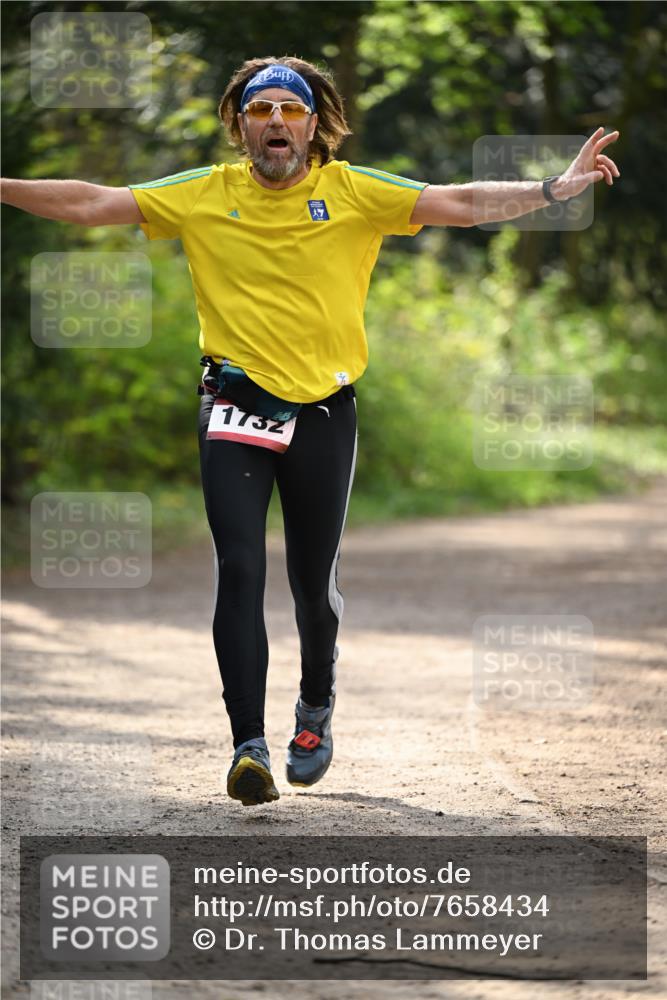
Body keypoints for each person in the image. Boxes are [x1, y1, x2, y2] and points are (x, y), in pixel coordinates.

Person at [1, 56, 619, 807]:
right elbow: (94, 203)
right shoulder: (203, 194)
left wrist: (552, 188)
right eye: (259, 111)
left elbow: (458, 202)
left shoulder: (354, 191)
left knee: (309, 588)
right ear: (239, 126)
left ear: (314, 126)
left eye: (289, 112)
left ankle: (314, 706)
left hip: (325, 410)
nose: (275, 124)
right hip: (235, 399)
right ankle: (247, 746)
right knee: (239, 566)